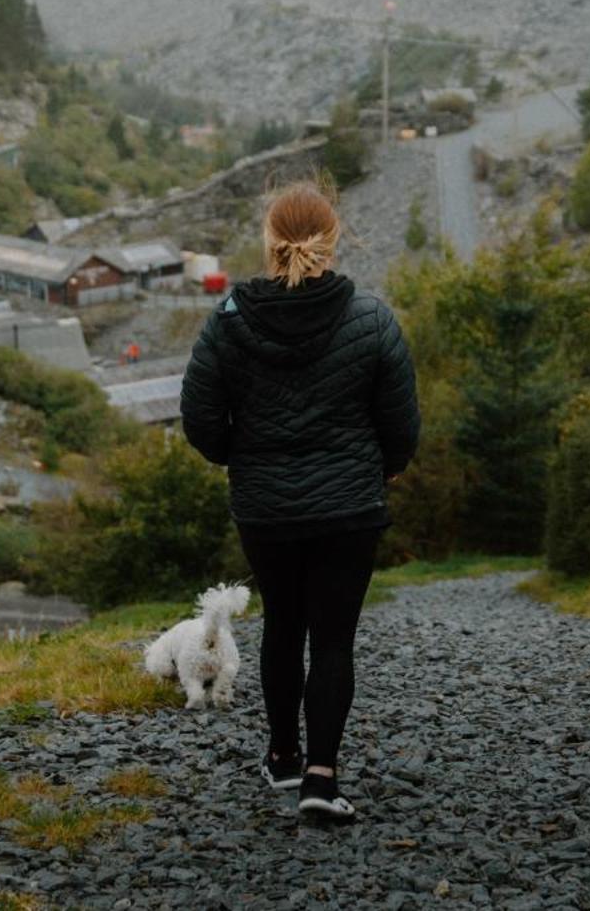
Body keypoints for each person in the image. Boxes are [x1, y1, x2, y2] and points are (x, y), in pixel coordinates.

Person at [180, 182, 420, 822]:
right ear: (333, 238)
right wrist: (378, 470)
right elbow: (401, 426)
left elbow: (201, 422)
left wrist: (247, 458)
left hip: (265, 510)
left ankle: (282, 757)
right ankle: (321, 777)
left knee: (284, 625)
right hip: (349, 509)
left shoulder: (228, 320)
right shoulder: (371, 319)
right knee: (334, 639)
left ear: (269, 240)